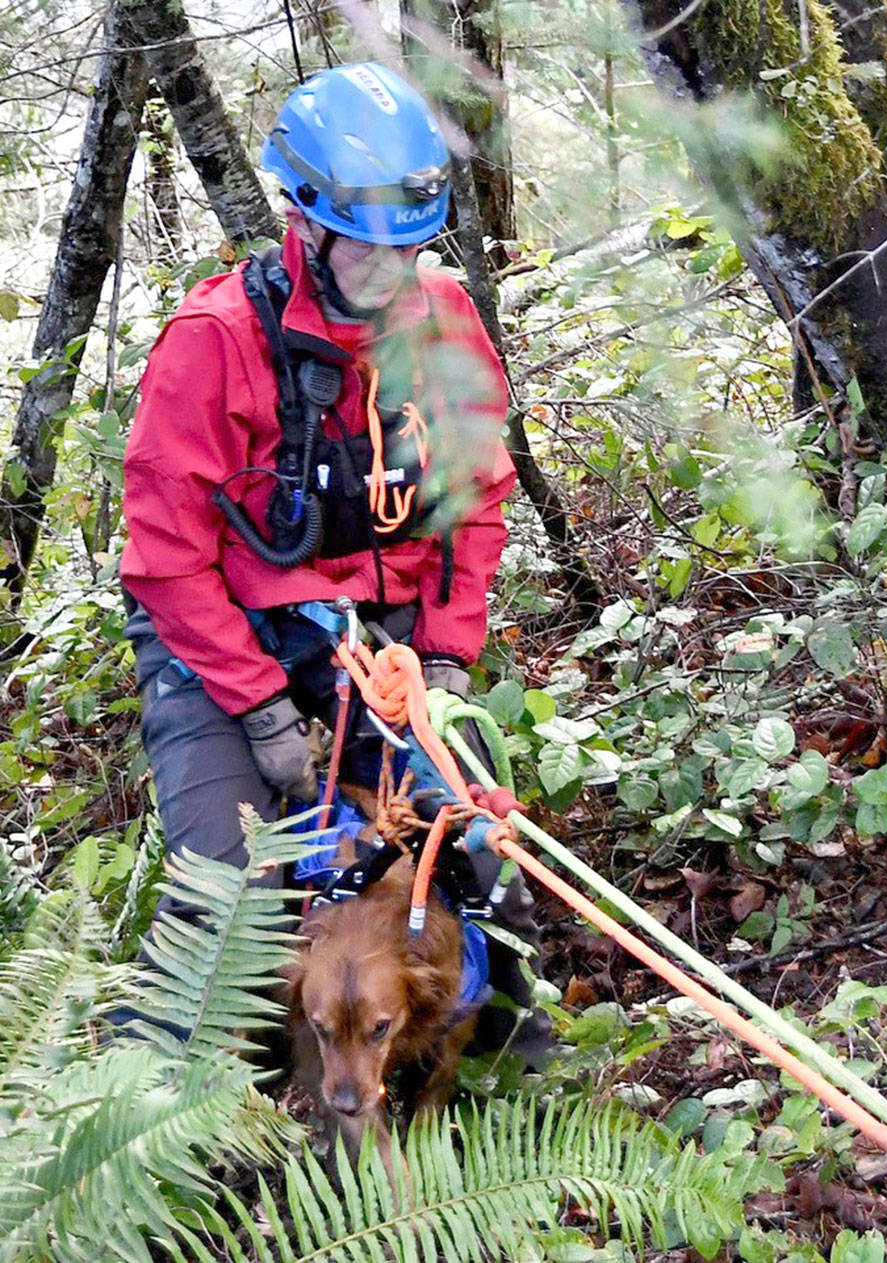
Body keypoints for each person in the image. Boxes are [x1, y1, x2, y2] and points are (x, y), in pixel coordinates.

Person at [120, 61, 546, 1063]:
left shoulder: (442, 323)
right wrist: (262, 709)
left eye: (408, 246)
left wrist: (444, 659)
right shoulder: (216, 342)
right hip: (221, 640)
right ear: (302, 222)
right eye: (364, 245)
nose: (389, 270)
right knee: (229, 889)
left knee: (480, 850)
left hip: (380, 647)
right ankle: (171, 1104)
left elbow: (474, 504)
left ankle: (511, 1084)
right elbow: (167, 560)